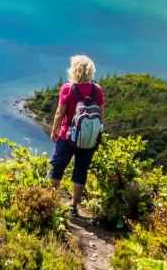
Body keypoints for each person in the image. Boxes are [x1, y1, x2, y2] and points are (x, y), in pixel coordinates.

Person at [49, 54, 105, 217]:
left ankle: (51, 200)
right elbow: (101, 115)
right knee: (81, 169)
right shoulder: (97, 90)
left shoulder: (68, 88)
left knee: (58, 166)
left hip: (68, 136)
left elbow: (60, 113)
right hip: (89, 138)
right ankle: (74, 205)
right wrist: (96, 134)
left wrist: (55, 130)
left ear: (74, 70)